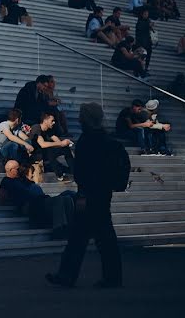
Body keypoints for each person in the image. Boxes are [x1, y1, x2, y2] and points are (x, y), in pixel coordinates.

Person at [47, 103, 124, 289]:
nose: (79, 119)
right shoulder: (106, 139)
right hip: (103, 193)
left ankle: (67, 276)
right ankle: (112, 277)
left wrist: (82, 195)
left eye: (81, 116)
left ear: (86, 119)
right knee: (105, 238)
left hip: (89, 195)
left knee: (78, 238)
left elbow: (83, 172)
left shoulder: (87, 140)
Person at [0, 160, 75, 239]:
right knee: (59, 201)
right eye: (18, 168)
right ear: (10, 170)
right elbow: (1, 199)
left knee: (67, 198)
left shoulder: (22, 180)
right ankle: (58, 229)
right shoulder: (6, 181)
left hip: (40, 200)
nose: (20, 170)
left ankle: (70, 228)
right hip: (31, 204)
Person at [29, 112, 75, 182]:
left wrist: (65, 143)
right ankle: (60, 176)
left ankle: (74, 171)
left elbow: (58, 141)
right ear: (45, 120)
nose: (53, 123)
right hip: (36, 154)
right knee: (49, 151)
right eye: (52, 121)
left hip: (45, 153)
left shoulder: (49, 130)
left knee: (65, 149)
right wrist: (60, 143)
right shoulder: (36, 127)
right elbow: (43, 144)